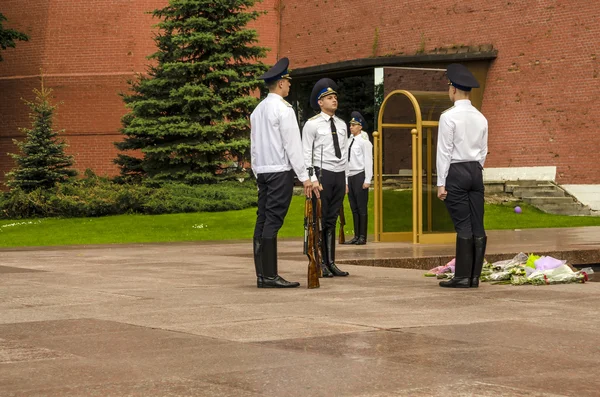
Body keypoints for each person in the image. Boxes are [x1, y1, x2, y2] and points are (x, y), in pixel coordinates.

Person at [250, 58, 313, 288]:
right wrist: (304, 177)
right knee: (273, 221)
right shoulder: (284, 110)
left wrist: (257, 173)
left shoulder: (258, 111)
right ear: (280, 84)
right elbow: (292, 146)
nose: (289, 85)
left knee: (263, 219)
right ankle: (269, 276)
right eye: (287, 81)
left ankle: (262, 274)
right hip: (279, 172)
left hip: (264, 172)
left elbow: (254, 147)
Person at [436, 63, 489, 288]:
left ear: (454, 89)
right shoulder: (481, 117)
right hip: (476, 170)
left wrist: (441, 183)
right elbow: (484, 151)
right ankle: (474, 276)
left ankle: (461, 277)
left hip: (456, 170)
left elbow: (444, 151)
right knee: (478, 223)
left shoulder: (448, 116)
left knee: (463, 225)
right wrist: (476, 169)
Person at [302, 78, 349, 277]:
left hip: (338, 174)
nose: (334, 100)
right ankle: (319, 262)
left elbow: (345, 153)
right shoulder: (312, 125)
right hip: (322, 174)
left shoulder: (341, 124)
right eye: (329, 98)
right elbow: (306, 153)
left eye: (335, 97)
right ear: (320, 102)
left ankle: (331, 262)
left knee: (332, 220)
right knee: (319, 220)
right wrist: (311, 178)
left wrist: (345, 179)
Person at [343, 111, 373, 245]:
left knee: (361, 207)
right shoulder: (348, 141)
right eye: (350, 125)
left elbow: (368, 161)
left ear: (360, 126)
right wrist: (345, 181)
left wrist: (367, 179)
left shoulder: (364, 142)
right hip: (350, 176)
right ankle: (356, 235)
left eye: (354, 125)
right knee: (353, 207)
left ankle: (362, 236)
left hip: (360, 175)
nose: (351, 127)